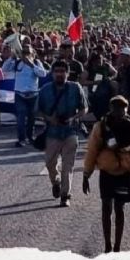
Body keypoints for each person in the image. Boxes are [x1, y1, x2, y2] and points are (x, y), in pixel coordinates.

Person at [83, 96, 130, 253]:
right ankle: (107, 245)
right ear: (110, 109)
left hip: (124, 173)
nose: (119, 112)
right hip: (106, 172)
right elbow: (92, 151)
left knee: (119, 209)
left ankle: (117, 246)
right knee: (106, 208)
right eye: (116, 109)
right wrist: (86, 175)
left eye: (122, 109)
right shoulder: (101, 127)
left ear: (126, 110)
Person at [38, 60, 89, 207]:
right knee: (49, 164)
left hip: (70, 131)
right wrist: (49, 118)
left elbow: (84, 108)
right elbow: (37, 110)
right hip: (52, 132)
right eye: (57, 71)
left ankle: (65, 195)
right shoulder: (45, 90)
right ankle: (56, 182)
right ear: (52, 73)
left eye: (62, 71)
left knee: (68, 166)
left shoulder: (75, 88)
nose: (59, 74)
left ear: (67, 73)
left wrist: (74, 117)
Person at [2, 44, 48, 147]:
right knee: (20, 117)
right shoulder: (18, 63)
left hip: (33, 95)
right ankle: (21, 139)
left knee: (31, 118)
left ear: (32, 53)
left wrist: (31, 65)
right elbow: (4, 69)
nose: (25, 55)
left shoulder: (36, 62)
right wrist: (11, 58)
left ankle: (30, 137)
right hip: (19, 94)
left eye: (28, 52)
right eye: (24, 52)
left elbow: (43, 74)